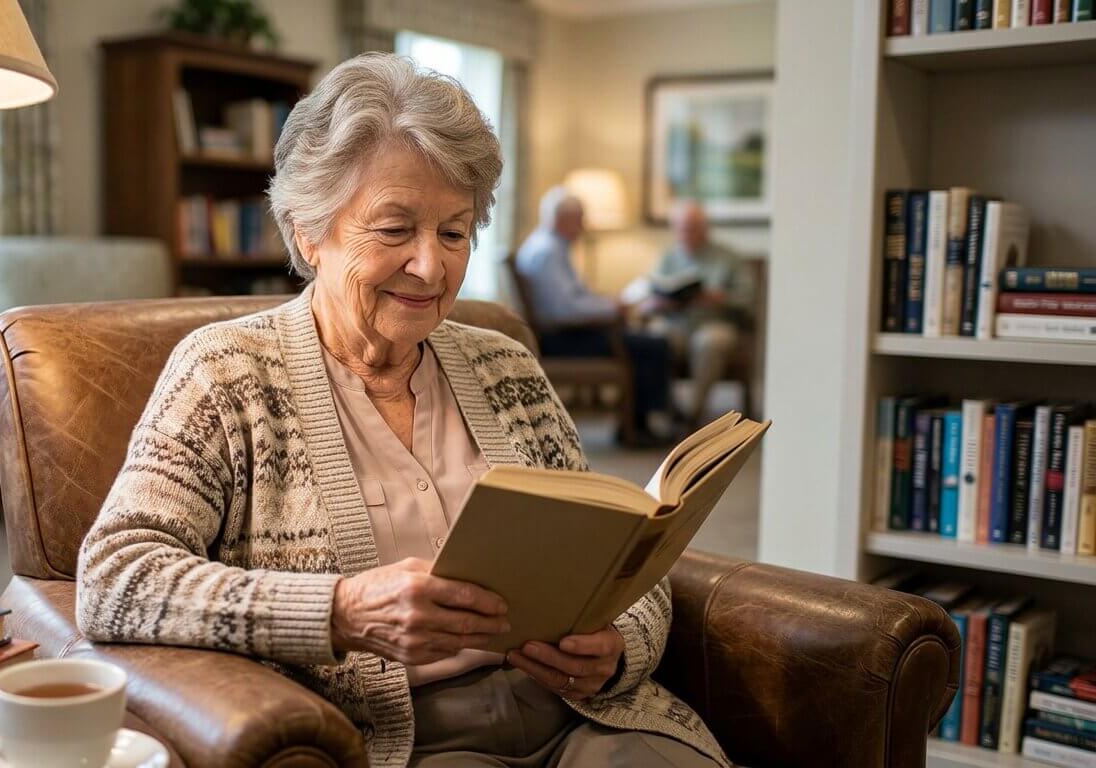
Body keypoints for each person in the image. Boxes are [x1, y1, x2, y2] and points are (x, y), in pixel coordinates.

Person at [75, 53, 727, 768]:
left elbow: (625, 560)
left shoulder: (506, 366)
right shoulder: (225, 374)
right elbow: (115, 579)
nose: (431, 265)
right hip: (401, 742)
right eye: (394, 229)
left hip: (588, 719)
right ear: (309, 232)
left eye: (453, 232)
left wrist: (620, 647)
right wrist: (341, 610)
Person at [515, 187, 673, 446]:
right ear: (562, 220)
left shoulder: (550, 246)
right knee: (652, 345)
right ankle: (641, 425)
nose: (583, 226)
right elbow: (565, 310)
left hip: (564, 332)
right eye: (579, 219)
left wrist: (609, 303)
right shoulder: (547, 252)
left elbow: (572, 298)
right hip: (561, 339)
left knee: (642, 341)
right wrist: (612, 308)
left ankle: (642, 419)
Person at [638, 201, 753, 428]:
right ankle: (669, 409)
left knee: (708, 341)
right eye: (682, 228)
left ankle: (693, 413)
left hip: (717, 322)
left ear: (706, 228)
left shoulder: (729, 258)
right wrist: (660, 303)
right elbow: (653, 292)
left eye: (693, 227)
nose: (687, 233)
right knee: (654, 337)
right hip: (678, 322)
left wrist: (719, 298)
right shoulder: (668, 258)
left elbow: (747, 298)